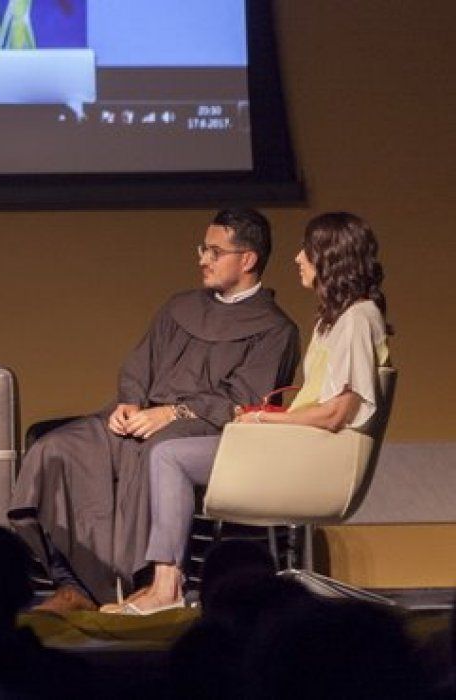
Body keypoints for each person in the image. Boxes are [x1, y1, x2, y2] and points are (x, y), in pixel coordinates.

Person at [8, 209, 302, 611]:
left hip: (204, 427)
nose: (203, 259)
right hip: (145, 413)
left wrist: (173, 413)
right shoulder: (180, 307)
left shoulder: (274, 329)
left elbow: (246, 401)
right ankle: (71, 585)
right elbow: (138, 365)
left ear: (247, 259)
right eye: (203, 249)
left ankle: (141, 585)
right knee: (56, 448)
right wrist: (129, 401)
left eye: (214, 252)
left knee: (155, 451)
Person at [121, 211, 392, 614]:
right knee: (164, 451)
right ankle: (160, 584)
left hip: (311, 454)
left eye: (308, 251)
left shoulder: (356, 319)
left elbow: (336, 414)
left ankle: (166, 587)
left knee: (169, 455)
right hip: (296, 445)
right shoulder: (340, 319)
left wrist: (265, 418)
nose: (298, 258)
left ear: (331, 258)